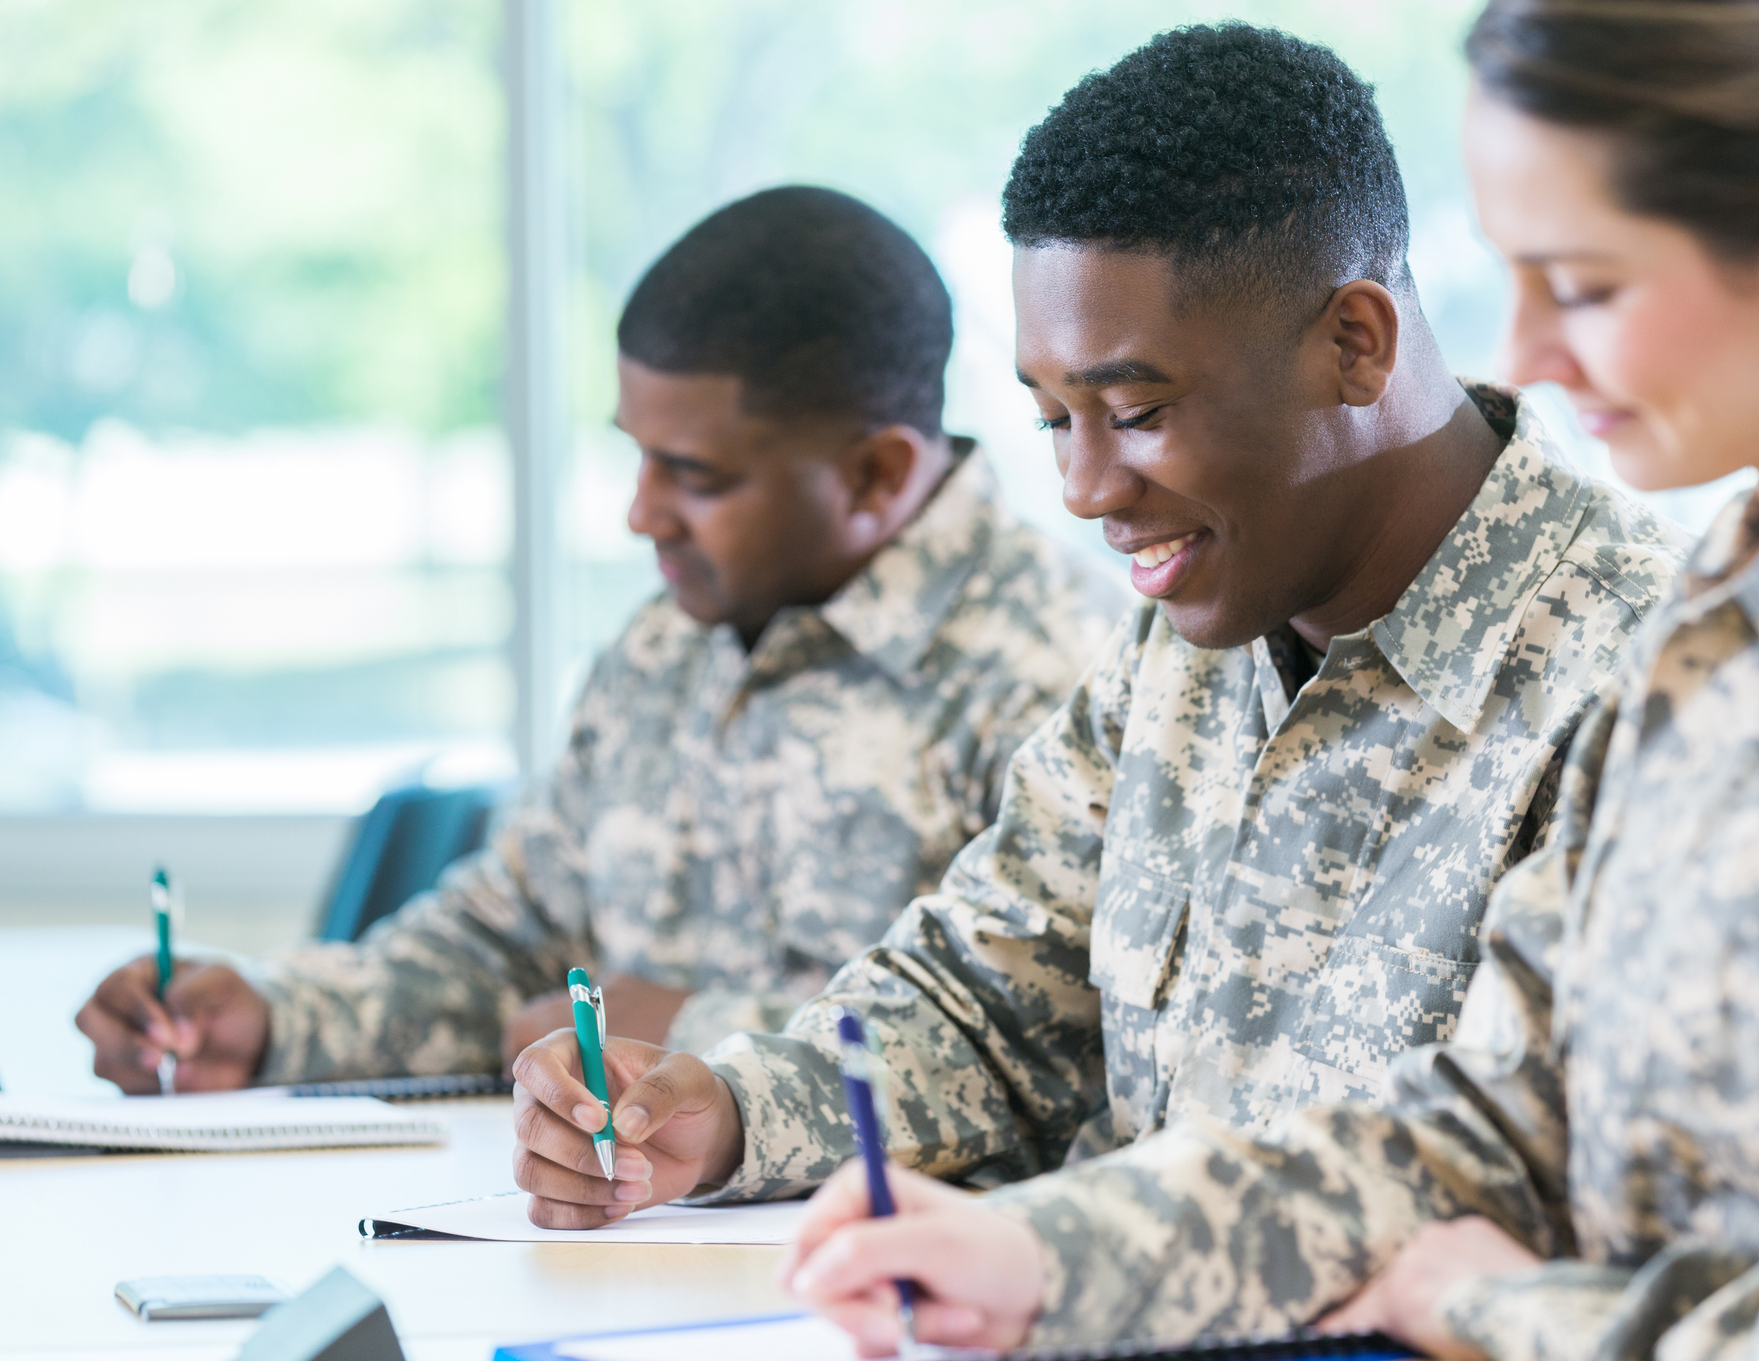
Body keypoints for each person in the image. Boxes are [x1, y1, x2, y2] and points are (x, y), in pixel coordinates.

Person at [773, 0, 1759, 1358]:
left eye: (1583, 284)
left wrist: (1488, 1305)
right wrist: (1044, 1256)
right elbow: (1492, 1114)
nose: (1524, 349)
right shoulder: (1744, 601)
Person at [508, 24, 1685, 1230]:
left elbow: (1534, 1189)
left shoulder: (1644, 679)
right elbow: (985, 996)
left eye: (1135, 409)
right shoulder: (1192, 631)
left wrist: (1047, 1260)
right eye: (1053, 419)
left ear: (1355, 345)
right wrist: (725, 1110)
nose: (1085, 487)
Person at [74, 185, 1126, 1093]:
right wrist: (266, 1016)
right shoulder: (669, 641)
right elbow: (502, 939)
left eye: (697, 476)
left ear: (877, 475)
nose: (642, 514)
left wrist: (679, 1024)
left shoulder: (1066, 675)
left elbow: (1047, 1049)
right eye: (640, 457)